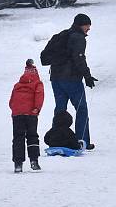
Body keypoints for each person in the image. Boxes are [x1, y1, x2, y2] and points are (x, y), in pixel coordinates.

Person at [48, 13, 98, 149]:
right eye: (87, 27)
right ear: (81, 25)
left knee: (60, 109)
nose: (88, 29)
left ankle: (56, 139)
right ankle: (82, 140)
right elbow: (79, 58)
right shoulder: (78, 38)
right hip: (71, 79)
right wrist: (87, 76)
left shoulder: (63, 35)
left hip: (56, 78)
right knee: (81, 109)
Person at [9, 59, 44, 173]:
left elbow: (11, 101)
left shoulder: (17, 85)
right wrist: (37, 109)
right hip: (31, 114)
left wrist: (15, 110)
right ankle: (34, 161)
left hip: (17, 114)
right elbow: (39, 96)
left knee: (18, 138)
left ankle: (18, 164)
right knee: (32, 136)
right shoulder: (38, 84)